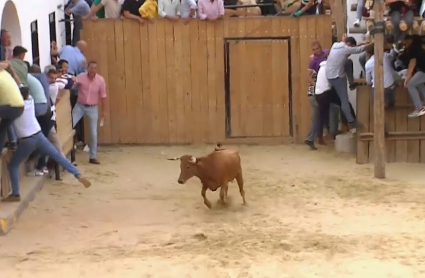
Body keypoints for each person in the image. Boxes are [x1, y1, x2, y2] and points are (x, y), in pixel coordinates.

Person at [2, 86, 91, 202]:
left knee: (12, 165)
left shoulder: (14, 110)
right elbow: (24, 90)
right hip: (39, 135)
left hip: (26, 140)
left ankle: (15, 193)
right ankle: (77, 174)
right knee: (58, 156)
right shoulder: (30, 101)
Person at [326, 35, 367, 132]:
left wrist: (361, 43)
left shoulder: (335, 45)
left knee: (348, 61)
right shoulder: (345, 49)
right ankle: (351, 122)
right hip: (336, 77)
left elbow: (351, 46)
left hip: (330, 75)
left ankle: (351, 83)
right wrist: (370, 44)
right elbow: (358, 50)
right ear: (349, 44)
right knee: (344, 100)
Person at [72, 61, 107, 164]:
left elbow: (103, 96)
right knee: (69, 126)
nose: (93, 70)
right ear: (87, 68)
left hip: (93, 107)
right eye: (91, 68)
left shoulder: (100, 80)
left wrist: (105, 111)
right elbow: (72, 85)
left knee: (93, 133)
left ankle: (93, 156)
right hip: (80, 106)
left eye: (95, 68)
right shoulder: (81, 77)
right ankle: (68, 153)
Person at [0, 61, 24, 152]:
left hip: (11, 107)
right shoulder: (4, 72)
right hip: (19, 106)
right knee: (2, 129)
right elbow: (7, 64)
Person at [365, 43, 397, 109]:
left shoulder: (368, 64)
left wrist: (371, 82)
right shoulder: (385, 56)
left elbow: (368, 81)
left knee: (376, 105)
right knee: (391, 102)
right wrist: (391, 47)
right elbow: (393, 54)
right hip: (390, 85)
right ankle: (391, 106)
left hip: (377, 87)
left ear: (368, 53)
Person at [404, 35, 425, 117]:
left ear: (410, 40)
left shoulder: (413, 49)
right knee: (418, 84)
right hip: (422, 70)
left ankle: (419, 108)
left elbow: (412, 63)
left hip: (423, 71)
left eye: (406, 40)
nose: (405, 42)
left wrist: (407, 77)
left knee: (410, 84)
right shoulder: (420, 47)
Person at [305, 68, 319, 150]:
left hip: (313, 94)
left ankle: (311, 138)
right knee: (315, 118)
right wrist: (317, 85)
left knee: (316, 117)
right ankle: (310, 138)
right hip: (314, 95)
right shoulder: (313, 64)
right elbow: (308, 77)